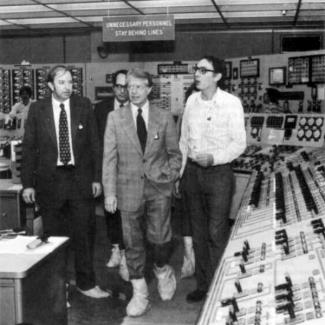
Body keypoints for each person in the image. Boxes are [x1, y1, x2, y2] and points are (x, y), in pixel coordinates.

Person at [21, 65, 109, 299]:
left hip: (80, 180)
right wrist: (27, 183)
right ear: (50, 85)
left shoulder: (83, 105)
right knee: (53, 238)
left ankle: (86, 283)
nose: (68, 87)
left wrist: (96, 178)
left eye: (70, 82)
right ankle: (58, 290)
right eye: (62, 82)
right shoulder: (38, 110)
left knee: (84, 234)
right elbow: (29, 148)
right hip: (50, 182)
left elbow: (94, 145)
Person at [102, 68, 181, 317]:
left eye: (138, 87)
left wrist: (167, 177)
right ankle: (140, 293)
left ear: (149, 89)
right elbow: (109, 159)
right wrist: (110, 193)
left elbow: (174, 155)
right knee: (133, 243)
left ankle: (162, 269)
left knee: (159, 240)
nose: (133, 91)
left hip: (158, 189)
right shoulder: (115, 118)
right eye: (129, 87)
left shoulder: (164, 117)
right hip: (127, 190)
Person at [179, 56, 246, 303]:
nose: (197, 73)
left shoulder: (231, 103)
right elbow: (183, 140)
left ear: (217, 76)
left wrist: (214, 158)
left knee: (216, 232)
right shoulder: (191, 102)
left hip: (219, 174)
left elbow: (240, 144)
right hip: (193, 174)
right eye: (196, 69)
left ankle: (220, 288)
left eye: (203, 70)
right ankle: (204, 284)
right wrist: (181, 173)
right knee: (197, 233)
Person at [94, 69, 129, 281]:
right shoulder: (101, 110)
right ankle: (116, 248)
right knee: (111, 213)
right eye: (118, 86)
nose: (123, 90)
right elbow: (95, 144)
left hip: (131, 174)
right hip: (108, 172)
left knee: (129, 215)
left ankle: (127, 255)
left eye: (126, 86)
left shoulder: (137, 109)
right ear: (113, 88)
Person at [175, 82, 198, 279]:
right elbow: (180, 148)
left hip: (207, 174)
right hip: (187, 173)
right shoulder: (184, 119)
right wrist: (178, 176)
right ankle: (189, 258)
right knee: (187, 218)